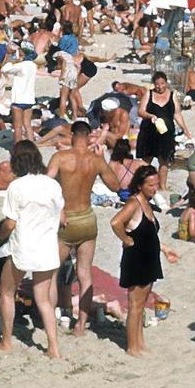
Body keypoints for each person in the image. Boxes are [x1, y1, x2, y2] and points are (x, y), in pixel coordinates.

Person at [47, 121, 120, 335]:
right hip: (87, 218)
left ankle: (50, 318)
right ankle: (80, 325)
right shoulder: (95, 160)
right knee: (85, 273)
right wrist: (103, 159)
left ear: (71, 135)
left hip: (66, 219)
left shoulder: (60, 158)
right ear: (89, 137)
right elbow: (115, 186)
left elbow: (46, 184)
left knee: (51, 272)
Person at [0, 141, 64, 358]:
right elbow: (60, 213)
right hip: (47, 246)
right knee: (43, 300)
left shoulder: (17, 186)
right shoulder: (52, 184)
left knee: (6, 292)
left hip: (23, 247)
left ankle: (6, 342)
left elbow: (10, 223)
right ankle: (53, 347)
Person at [110, 165, 178, 357]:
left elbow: (149, 235)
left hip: (150, 258)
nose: (154, 188)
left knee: (142, 305)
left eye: (156, 184)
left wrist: (164, 249)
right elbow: (115, 222)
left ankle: (140, 342)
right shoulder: (133, 203)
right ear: (140, 185)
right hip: (136, 259)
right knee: (135, 305)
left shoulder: (148, 203)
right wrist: (126, 239)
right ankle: (132, 346)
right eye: (150, 184)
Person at [136, 71, 189, 202]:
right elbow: (141, 111)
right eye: (157, 84)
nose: (160, 87)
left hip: (166, 132)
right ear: (154, 84)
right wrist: (151, 116)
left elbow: (177, 114)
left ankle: (162, 186)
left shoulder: (172, 95)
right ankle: (141, 183)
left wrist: (185, 129)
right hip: (149, 131)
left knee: (164, 160)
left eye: (162, 84)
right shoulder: (149, 94)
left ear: (166, 83)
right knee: (146, 159)